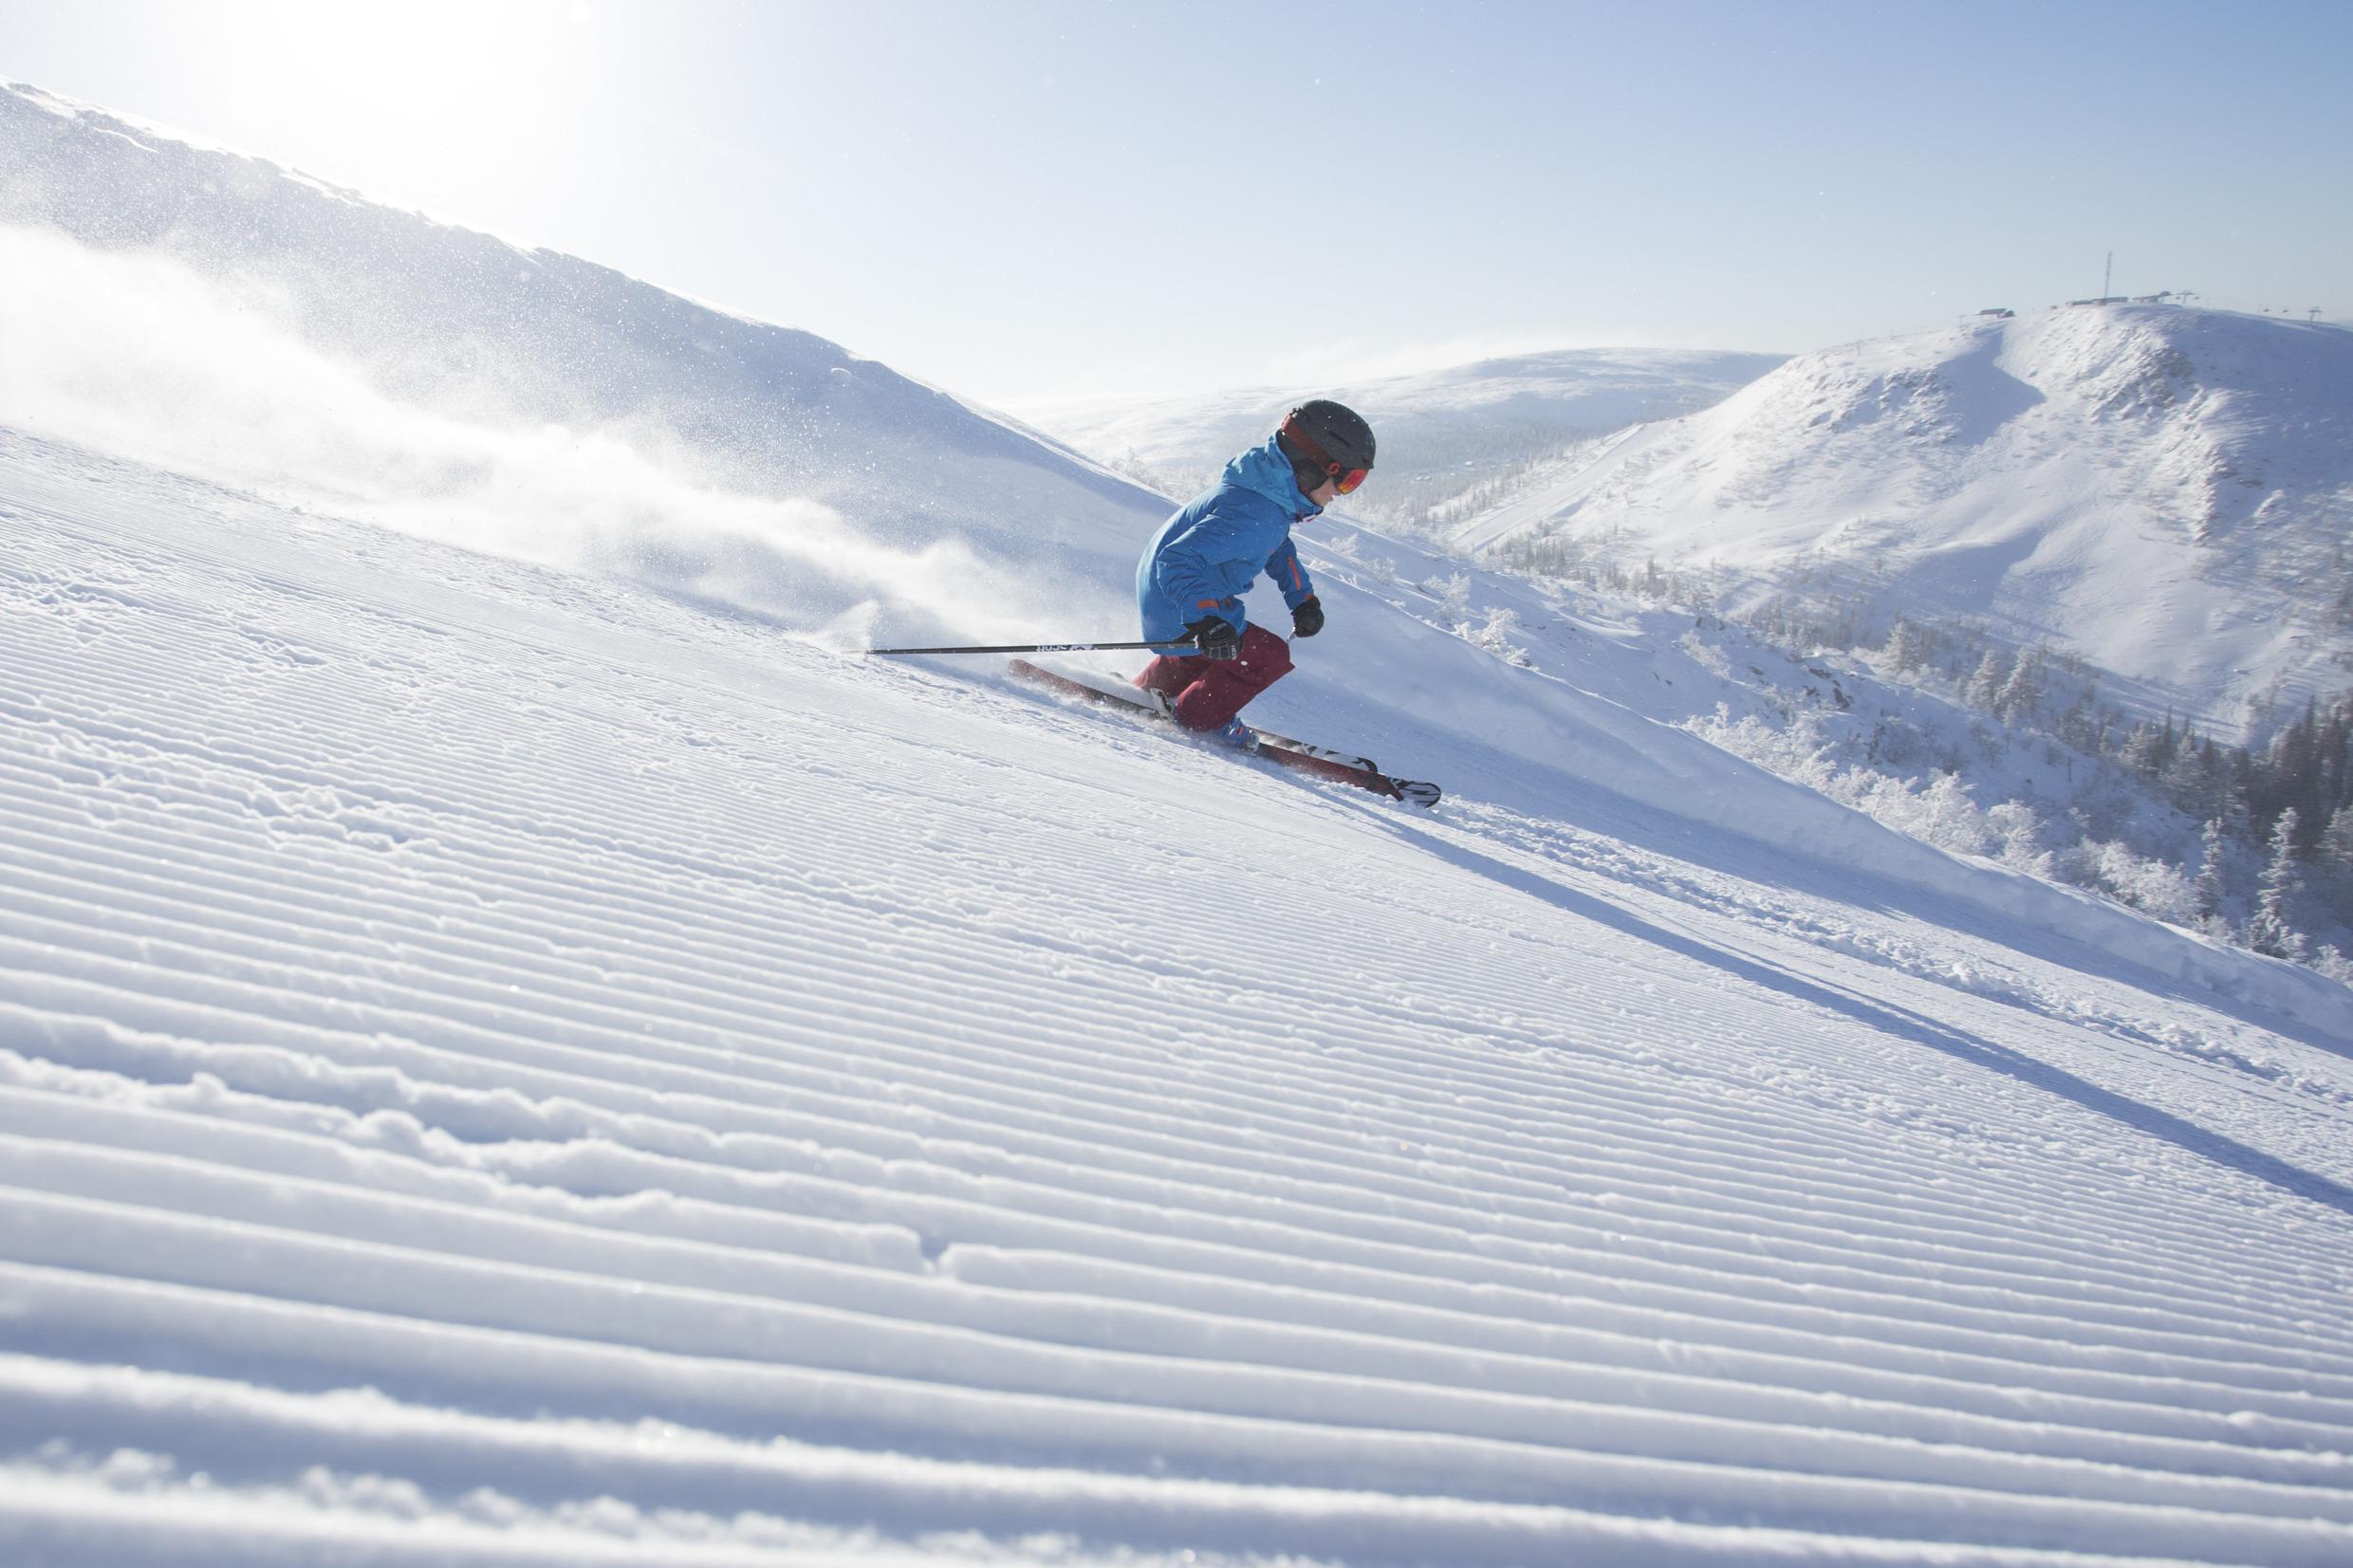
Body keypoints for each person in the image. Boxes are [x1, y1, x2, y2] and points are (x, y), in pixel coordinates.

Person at [1131, 399, 1376, 747]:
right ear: (1314, 467)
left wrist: (1302, 600)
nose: (1341, 494)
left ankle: (1154, 687)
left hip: (1169, 604)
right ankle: (1198, 719)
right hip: (1180, 608)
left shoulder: (1260, 498)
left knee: (1222, 641)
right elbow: (1176, 561)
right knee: (1268, 656)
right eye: (1348, 480)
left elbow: (1278, 549)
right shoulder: (1256, 515)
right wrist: (1205, 620)